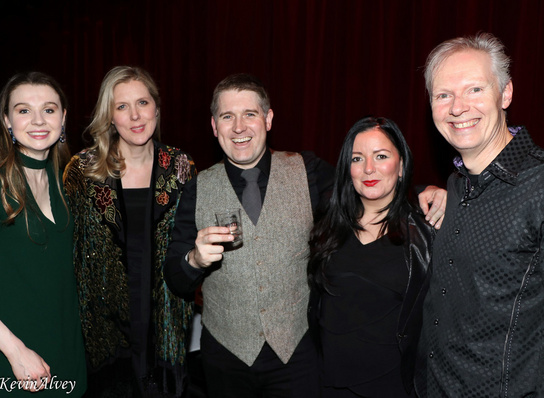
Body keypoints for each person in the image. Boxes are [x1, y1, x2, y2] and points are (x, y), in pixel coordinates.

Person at [164, 73, 446, 398]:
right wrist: (194, 259)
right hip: (225, 358)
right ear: (215, 126)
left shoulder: (307, 171)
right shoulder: (197, 188)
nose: (239, 127)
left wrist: (428, 192)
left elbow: (362, 185)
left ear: (268, 119)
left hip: (297, 356)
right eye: (228, 116)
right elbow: (175, 277)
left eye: (250, 114)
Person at [416, 33, 544, 397]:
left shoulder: (539, 188)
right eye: (443, 95)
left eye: (474, 90)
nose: (458, 107)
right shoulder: (457, 185)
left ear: (505, 94)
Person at [0, 72, 86, 396]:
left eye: (49, 109)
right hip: (20, 362)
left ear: (63, 118)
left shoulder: (67, 179)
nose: (38, 120)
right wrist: (16, 352)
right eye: (24, 110)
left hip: (69, 351)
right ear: (7, 120)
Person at [63, 66, 196, 397]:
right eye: (121, 106)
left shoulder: (181, 167)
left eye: (143, 102)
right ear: (109, 116)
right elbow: (59, 241)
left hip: (165, 317)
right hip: (103, 323)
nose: (135, 115)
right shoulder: (83, 170)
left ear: (157, 108)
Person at [308, 116, 435, 398]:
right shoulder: (327, 226)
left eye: (380, 156)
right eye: (357, 158)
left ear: (401, 166)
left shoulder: (427, 232)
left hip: (395, 387)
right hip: (329, 385)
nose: (368, 168)